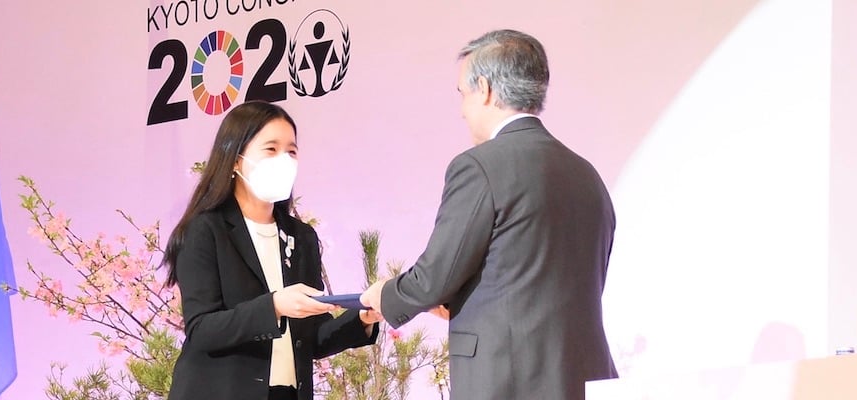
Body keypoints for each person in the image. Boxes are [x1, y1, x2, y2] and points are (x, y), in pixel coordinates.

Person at [360, 29, 618, 400]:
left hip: (506, 377)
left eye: (463, 95)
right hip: (580, 376)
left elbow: (435, 276)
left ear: (484, 89)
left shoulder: (478, 166)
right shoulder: (586, 173)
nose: (463, 110)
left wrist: (386, 296)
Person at [164, 101, 380, 400]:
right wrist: (274, 306)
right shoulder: (205, 230)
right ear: (236, 160)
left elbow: (313, 337)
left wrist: (363, 318)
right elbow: (202, 329)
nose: (284, 160)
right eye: (271, 149)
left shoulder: (300, 236)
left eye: (291, 151)